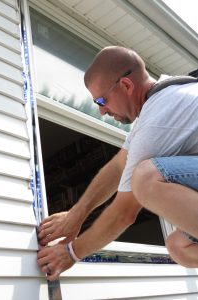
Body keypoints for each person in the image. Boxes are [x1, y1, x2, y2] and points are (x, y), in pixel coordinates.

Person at [37, 46, 198, 281]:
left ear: (126, 85)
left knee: (145, 178)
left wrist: (71, 253)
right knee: (178, 247)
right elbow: (118, 165)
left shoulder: (157, 120)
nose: (102, 110)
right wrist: (77, 214)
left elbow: (124, 213)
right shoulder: (160, 97)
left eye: (102, 100)